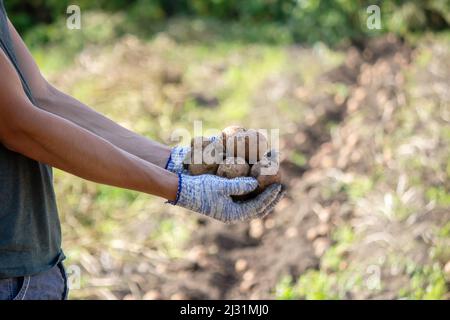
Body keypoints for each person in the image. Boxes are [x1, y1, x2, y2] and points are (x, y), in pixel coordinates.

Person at [0, 1, 284, 300]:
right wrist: (180, 189)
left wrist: (175, 161)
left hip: (35, 270)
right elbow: (18, 124)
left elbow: (42, 98)